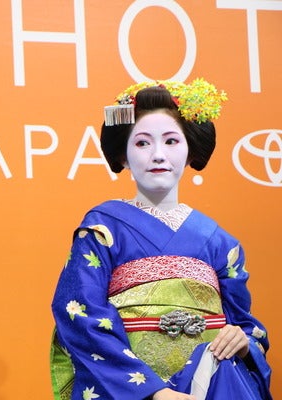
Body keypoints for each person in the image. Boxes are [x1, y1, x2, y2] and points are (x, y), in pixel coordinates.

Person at [50, 79, 272, 400]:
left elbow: (248, 327)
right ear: (123, 156)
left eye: (171, 141)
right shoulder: (102, 229)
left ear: (190, 149)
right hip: (134, 389)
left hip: (211, 381)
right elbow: (80, 312)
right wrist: (152, 391)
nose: (158, 155)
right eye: (142, 143)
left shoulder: (222, 244)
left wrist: (242, 341)